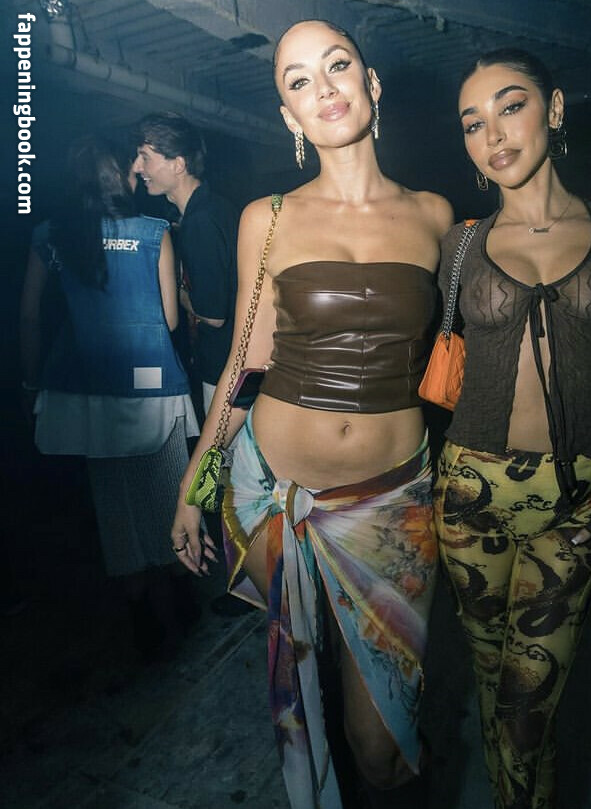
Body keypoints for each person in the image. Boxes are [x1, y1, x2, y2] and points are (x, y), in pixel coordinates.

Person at [169, 19, 452, 809]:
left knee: (381, 741)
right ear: (288, 115)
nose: (322, 88)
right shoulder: (267, 218)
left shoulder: (437, 216)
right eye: (298, 81)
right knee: (306, 691)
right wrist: (194, 483)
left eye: (336, 66)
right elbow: (243, 365)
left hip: (392, 504)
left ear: (371, 83)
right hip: (276, 494)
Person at [433, 49, 591, 809]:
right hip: (470, 495)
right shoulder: (460, 244)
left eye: (511, 106)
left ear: (554, 109)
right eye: (473, 123)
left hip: (576, 503)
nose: (492, 134)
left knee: (530, 710)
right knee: (493, 683)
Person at [19, 135, 200, 660]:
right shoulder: (154, 231)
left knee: (115, 509)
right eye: (132, 166)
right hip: (151, 383)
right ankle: (182, 600)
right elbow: (170, 320)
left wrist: (30, 383)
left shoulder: (50, 234)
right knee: (168, 495)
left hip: (88, 391)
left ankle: (141, 618)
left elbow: (29, 316)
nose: (137, 172)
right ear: (118, 176)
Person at [132, 112, 239, 416]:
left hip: (223, 369)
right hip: (235, 363)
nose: (137, 167)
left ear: (178, 164)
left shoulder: (200, 221)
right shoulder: (212, 207)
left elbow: (213, 316)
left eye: (145, 157)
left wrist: (174, 290)